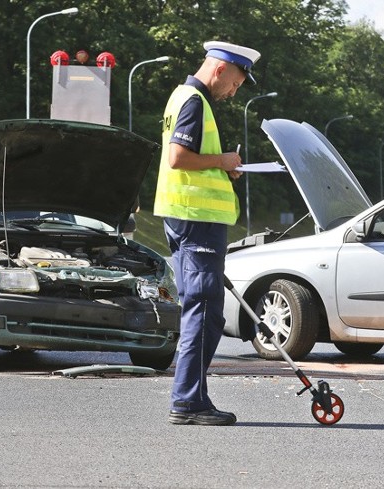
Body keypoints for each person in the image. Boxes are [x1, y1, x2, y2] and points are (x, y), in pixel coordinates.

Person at [153, 40, 261, 426]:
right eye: (235, 83)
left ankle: (191, 397)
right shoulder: (195, 101)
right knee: (203, 310)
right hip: (195, 219)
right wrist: (224, 161)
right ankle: (187, 402)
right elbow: (178, 158)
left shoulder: (183, 97)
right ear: (220, 70)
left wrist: (222, 169)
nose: (234, 92)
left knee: (205, 312)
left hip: (185, 217)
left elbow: (189, 160)